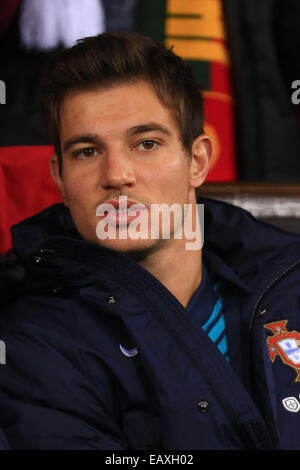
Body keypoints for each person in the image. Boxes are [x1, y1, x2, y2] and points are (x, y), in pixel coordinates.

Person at [0, 32, 300, 450]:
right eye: (87, 151)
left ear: (197, 161)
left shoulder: (289, 281)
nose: (117, 174)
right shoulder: (31, 347)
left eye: (146, 144)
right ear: (60, 179)